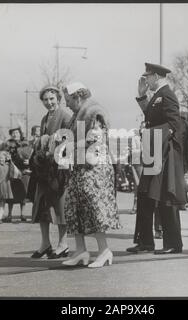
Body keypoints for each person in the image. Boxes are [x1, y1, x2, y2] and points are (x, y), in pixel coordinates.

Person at [127, 63, 186, 255]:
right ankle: (145, 242)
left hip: (165, 155)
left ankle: (173, 244)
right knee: (145, 196)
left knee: (165, 200)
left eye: (148, 77)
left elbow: (175, 125)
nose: (146, 80)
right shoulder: (157, 96)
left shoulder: (167, 95)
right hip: (156, 154)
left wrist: (149, 133)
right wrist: (142, 96)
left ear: (157, 77)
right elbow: (151, 117)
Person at [62, 82, 121, 268]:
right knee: (74, 206)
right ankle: (80, 250)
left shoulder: (93, 113)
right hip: (81, 168)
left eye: (68, 100)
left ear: (77, 97)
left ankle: (104, 251)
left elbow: (95, 138)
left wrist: (71, 145)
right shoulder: (77, 116)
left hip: (95, 169)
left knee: (94, 207)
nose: (67, 104)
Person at [29, 85, 72, 259]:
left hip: (59, 167)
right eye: (46, 100)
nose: (49, 102)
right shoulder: (45, 118)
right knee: (42, 205)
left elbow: (69, 138)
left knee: (60, 205)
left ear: (58, 99)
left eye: (52, 99)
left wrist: (52, 142)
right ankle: (45, 243)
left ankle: (63, 243)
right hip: (45, 168)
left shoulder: (65, 116)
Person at [0, 127, 29, 222]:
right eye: (13, 133)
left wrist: (28, 162)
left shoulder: (25, 143)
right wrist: (5, 156)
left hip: (23, 171)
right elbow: (2, 153)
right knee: (11, 193)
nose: (15, 134)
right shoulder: (7, 144)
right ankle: (9, 214)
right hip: (12, 170)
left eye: (17, 132)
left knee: (23, 193)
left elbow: (30, 154)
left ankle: (23, 213)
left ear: (20, 134)